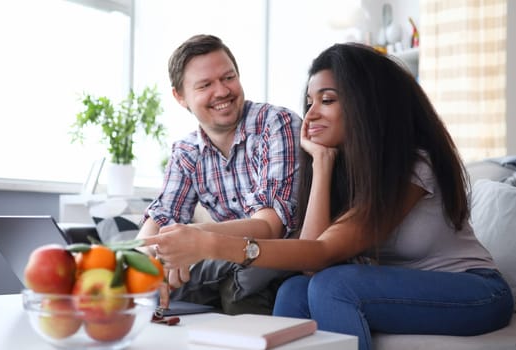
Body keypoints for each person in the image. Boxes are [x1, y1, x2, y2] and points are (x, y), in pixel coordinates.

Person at [143, 43, 514, 349]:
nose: (309, 114)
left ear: (366, 104)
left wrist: (210, 243)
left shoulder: (413, 166)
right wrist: (322, 163)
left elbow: (324, 253)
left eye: (328, 100)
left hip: (475, 292)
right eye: (309, 101)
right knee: (294, 289)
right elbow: (310, 259)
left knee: (334, 286)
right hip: (388, 285)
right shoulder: (339, 167)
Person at [136, 34, 302, 315]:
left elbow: (270, 227)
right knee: (150, 285)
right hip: (227, 259)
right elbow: (161, 217)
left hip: (280, 256)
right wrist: (139, 260)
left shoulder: (276, 124)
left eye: (228, 78)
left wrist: (193, 239)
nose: (222, 91)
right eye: (205, 85)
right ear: (180, 97)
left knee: (241, 281)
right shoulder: (187, 151)